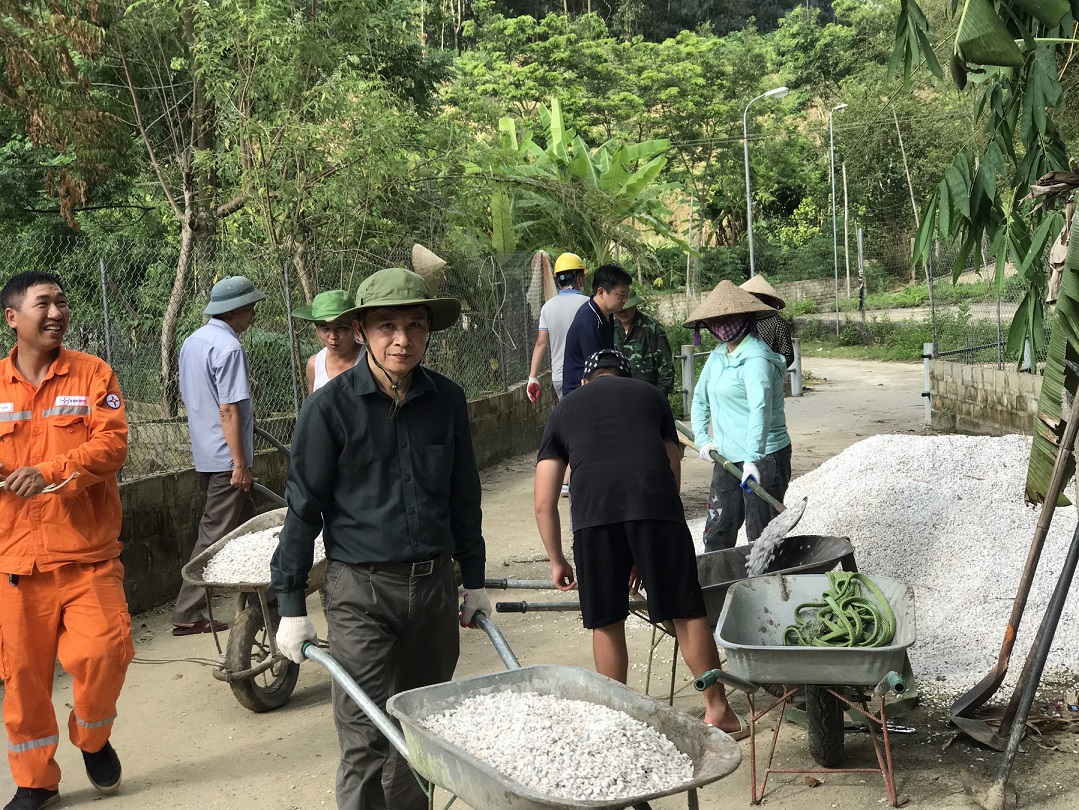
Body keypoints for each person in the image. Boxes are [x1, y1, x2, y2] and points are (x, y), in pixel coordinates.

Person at [271, 267, 490, 810]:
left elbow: (464, 497)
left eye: (415, 325)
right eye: (386, 325)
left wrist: (476, 579)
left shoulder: (447, 401)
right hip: (360, 592)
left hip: (435, 587)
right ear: (362, 331)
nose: (402, 339)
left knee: (422, 730)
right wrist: (291, 602)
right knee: (366, 733)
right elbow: (303, 509)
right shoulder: (329, 410)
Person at [534, 349, 745, 738]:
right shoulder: (650, 396)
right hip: (656, 508)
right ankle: (719, 711)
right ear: (626, 376)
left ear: (585, 380)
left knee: (607, 621)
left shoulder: (565, 409)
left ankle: (619, 720)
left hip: (593, 520)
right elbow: (671, 467)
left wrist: (557, 560)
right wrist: (653, 534)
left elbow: (544, 501)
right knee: (686, 612)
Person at [0, 271, 133, 810]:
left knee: (105, 655)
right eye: (43, 304)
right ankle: (36, 781)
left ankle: (92, 736)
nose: (56, 312)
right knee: (24, 680)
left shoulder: (93, 375)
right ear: (12, 317)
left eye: (62, 302)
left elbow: (113, 446)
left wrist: (51, 468)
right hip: (15, 560)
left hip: (86, 555)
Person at [172, 275, 265, 635]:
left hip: (206, 449)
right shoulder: (229, 348)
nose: (253, 315)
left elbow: (190, 396)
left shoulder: (193, 341)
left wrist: (246, 417)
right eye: (251, 308)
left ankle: (263, 594)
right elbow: (227, 409)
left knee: (247, 526)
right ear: (236, 310)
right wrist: (239, 464)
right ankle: (187, 611)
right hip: (227, 457)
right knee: (214, 535)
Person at [687, 281, 792, 552]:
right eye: (717, 319)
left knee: (761, 536)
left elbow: (761, 409)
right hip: (726, 458)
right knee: (718, 528)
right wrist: (702, 439)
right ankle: (719, 587)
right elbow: (700, 399)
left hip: (764, 457)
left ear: (747, 318)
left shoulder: (757, 358)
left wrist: (752, 459)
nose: (724, 324)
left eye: (730, 318)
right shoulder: (718, 355)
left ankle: (766, 586)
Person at [561, 262, 632, 397]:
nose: (625, 300)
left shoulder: (607, 315)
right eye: (621, 295)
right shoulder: (589, 321)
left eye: (626, 294)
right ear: (601, 292)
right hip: (580, 394)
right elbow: (597, 370)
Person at [526, 252, 589, 403]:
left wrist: (532, 377)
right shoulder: (588, 304)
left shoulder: (548, 307)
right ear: (579, 279)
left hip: (559, 377)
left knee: (568, 418)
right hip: (584, 375)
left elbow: (541, 343)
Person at [292, 289, 364, 393]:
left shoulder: (371, 359)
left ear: (355, 328)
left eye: (340, 328)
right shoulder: (315, 365)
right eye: (325, 329)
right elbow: (313, 407)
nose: (333, 336)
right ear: (317, 329)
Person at [613, 288, 675, 396]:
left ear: (635, 305)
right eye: (619, 308)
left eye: (626, 308)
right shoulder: (609, 327)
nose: (622, 312)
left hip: (648, 393)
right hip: (619, 393)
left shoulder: (651, 327)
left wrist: (661, 394)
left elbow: (666, 364)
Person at [740, 274, 795, 369]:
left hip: (769, 373)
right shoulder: (742, 322)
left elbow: (788, 356)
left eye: (756, 297)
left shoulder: (778, 322)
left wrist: (771, 371)